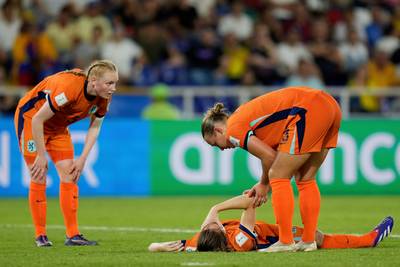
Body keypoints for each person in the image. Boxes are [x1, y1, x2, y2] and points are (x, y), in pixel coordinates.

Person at [200, 86, 342, 252]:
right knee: (305, 179)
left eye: (215, 143)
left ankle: (286, 241)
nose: (221, 149)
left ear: (218, 130)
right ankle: (308, 240)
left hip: (308, 108)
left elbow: (269, 157)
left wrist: (264, 184)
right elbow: (270, 154)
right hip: (329, 105)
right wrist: (263, 184)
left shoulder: (232, 129)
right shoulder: (241, 117)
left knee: (278, 175)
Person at [14, 59, 118, 247]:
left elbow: (95, 127)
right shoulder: (68, 88)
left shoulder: (104, 97)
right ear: (93, 81)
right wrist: (41, 155)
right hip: (31, 121)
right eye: (109, 83)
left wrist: (83, 158)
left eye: (115, 83)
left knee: (70, 175)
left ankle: (73, 235)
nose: (114, 88)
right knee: (38, 175)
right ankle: (40, 236)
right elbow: (38, 119)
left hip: (58, 127)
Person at [148, 195, 394, 252]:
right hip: (276, 237)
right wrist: (215, 209)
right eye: (215, 224)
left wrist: (157, 247)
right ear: (222, 232)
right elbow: (250, 203)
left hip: (267, 229)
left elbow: (173, 245)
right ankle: (369, 240)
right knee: (316, 237)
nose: (213, 223)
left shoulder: (199, 242)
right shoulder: (239, 241)